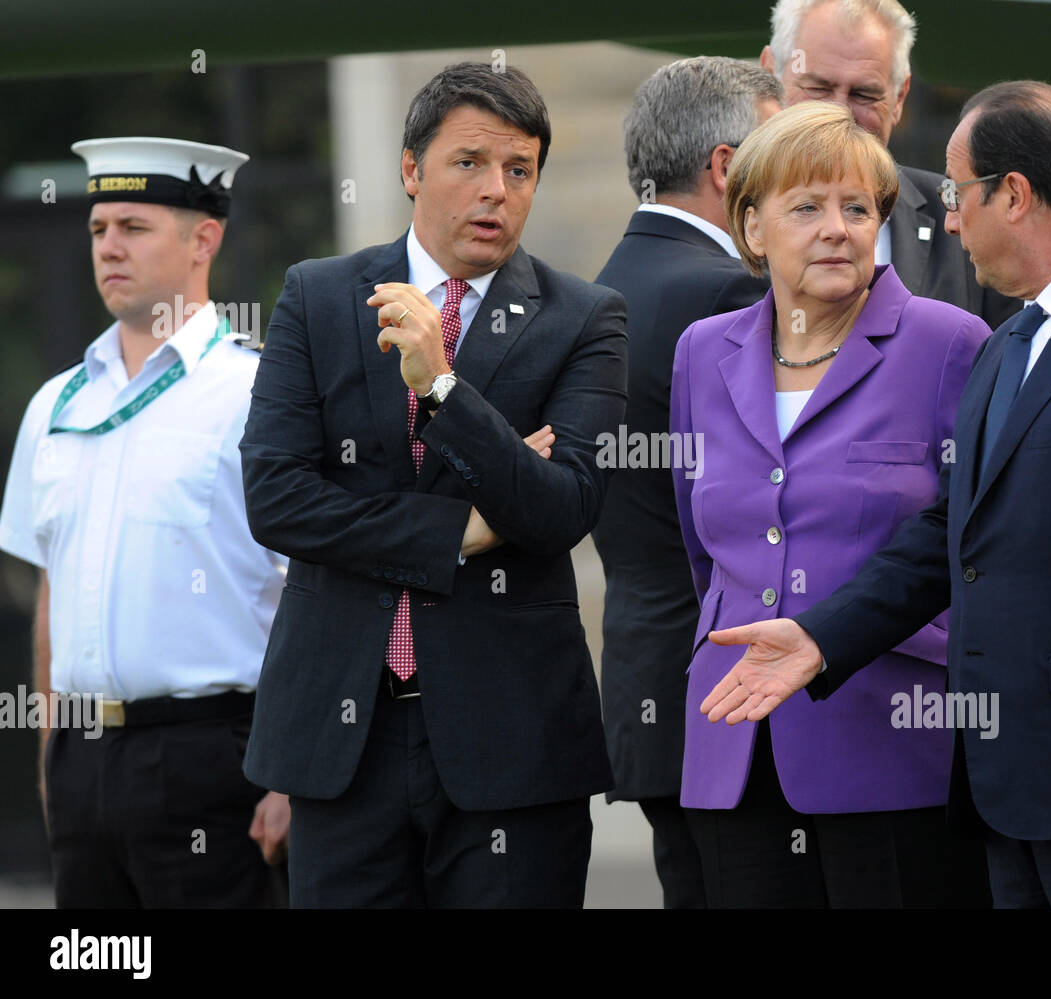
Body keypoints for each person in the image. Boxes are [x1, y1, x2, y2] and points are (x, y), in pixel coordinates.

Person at [698, 82, 1051, 909]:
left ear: (1016, 194)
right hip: (1011, 800)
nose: (949, 222)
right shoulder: (1008, 345)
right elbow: (948, 533)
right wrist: (821, 637)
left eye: (959, 196)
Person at [239, 62, 627, 908]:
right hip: (343, 741)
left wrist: (443, 387)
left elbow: (562, 508)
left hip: (513, 747)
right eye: (469, 163)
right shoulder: (317, 296)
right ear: (411, 169)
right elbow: (276, 497)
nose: (496, 190)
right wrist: (457, 532)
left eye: (519, 170)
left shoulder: (585, 318)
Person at [669, 100, 992, 908]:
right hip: (734, 740)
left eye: (857, 209)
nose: (838, 229)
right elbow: (702, 544)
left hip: (891, 739)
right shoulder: (702, 353)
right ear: (751, 227)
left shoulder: (949, 343)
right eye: (806, 207)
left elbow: (970, 545)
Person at [0, 136, 290, 907]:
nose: (109, 247)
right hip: (84, 764)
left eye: (134, 226)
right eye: (98, 230)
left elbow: (315, 596)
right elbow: (52, 603)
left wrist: (295, 777)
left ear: (205, 238)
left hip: (215, 758)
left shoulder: (259, 393)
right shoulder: (58, 405)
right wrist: (52, 764)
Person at [590, 56, 779, 910]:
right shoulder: (731, 296)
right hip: (739, 691)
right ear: (729, 169)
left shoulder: (597, 291)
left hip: (649, 682)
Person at [760, 0, 1018, 330]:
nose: (839, 113)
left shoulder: (964, 219)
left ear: (898, 98)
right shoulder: (718, 213)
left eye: (864, 94)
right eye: (818, 87)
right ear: (769, 76)